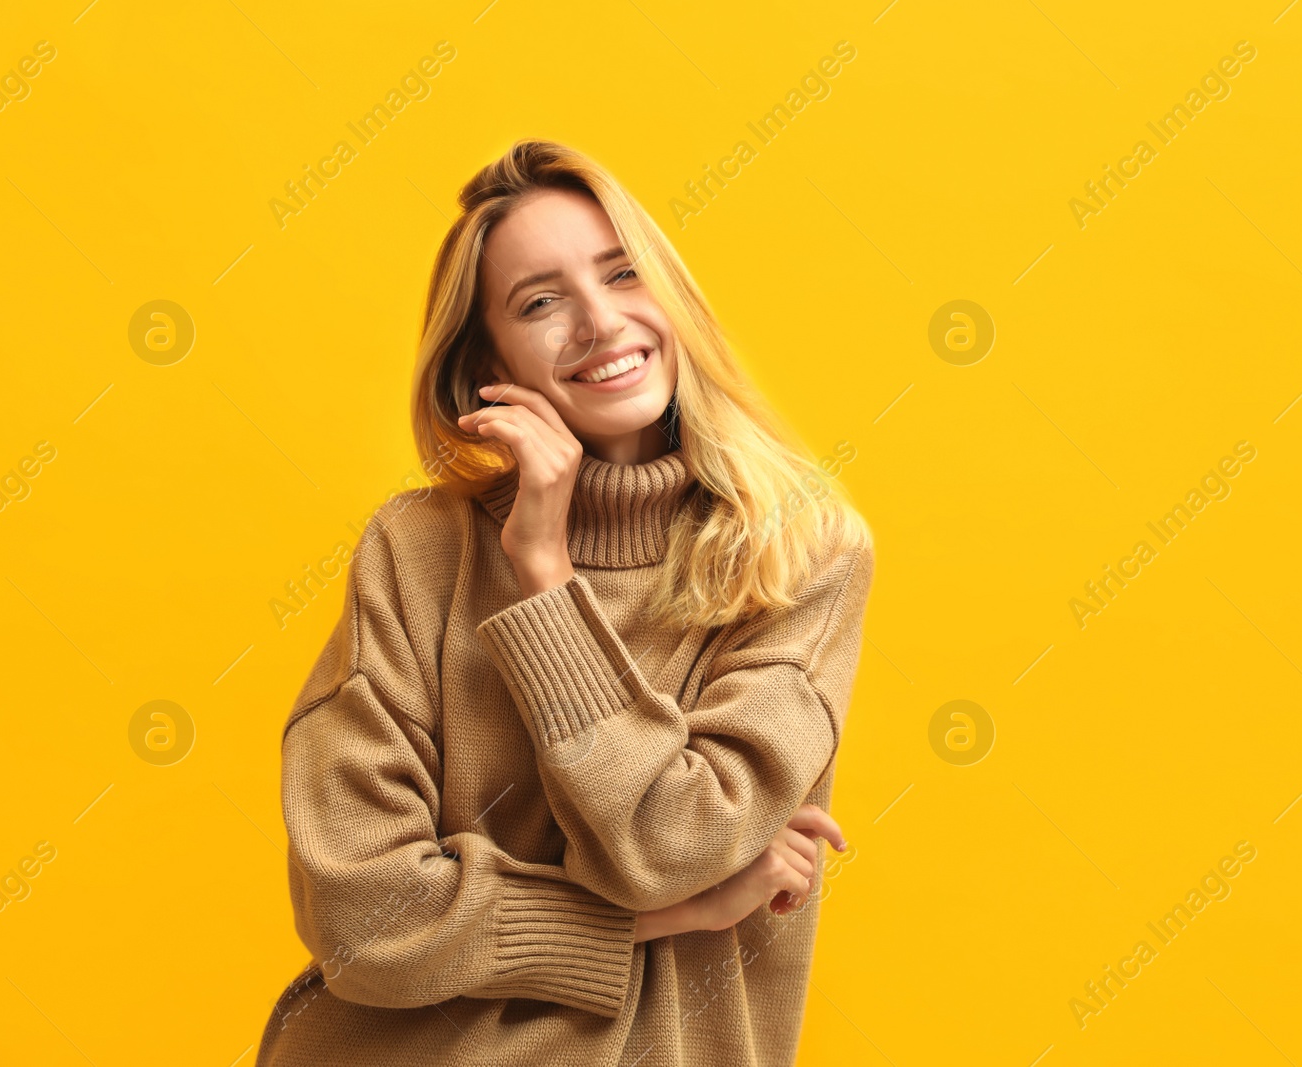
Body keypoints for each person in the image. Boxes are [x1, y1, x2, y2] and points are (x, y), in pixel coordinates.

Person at [255, 139, 875, 1066]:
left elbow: (670, 839)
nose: (598, 321)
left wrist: (546, 578)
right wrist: (672, 914)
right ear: (483, 367)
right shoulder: (415, 548)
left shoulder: (802, 554)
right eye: (540, 301)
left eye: (624, 274)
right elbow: (358, 915)